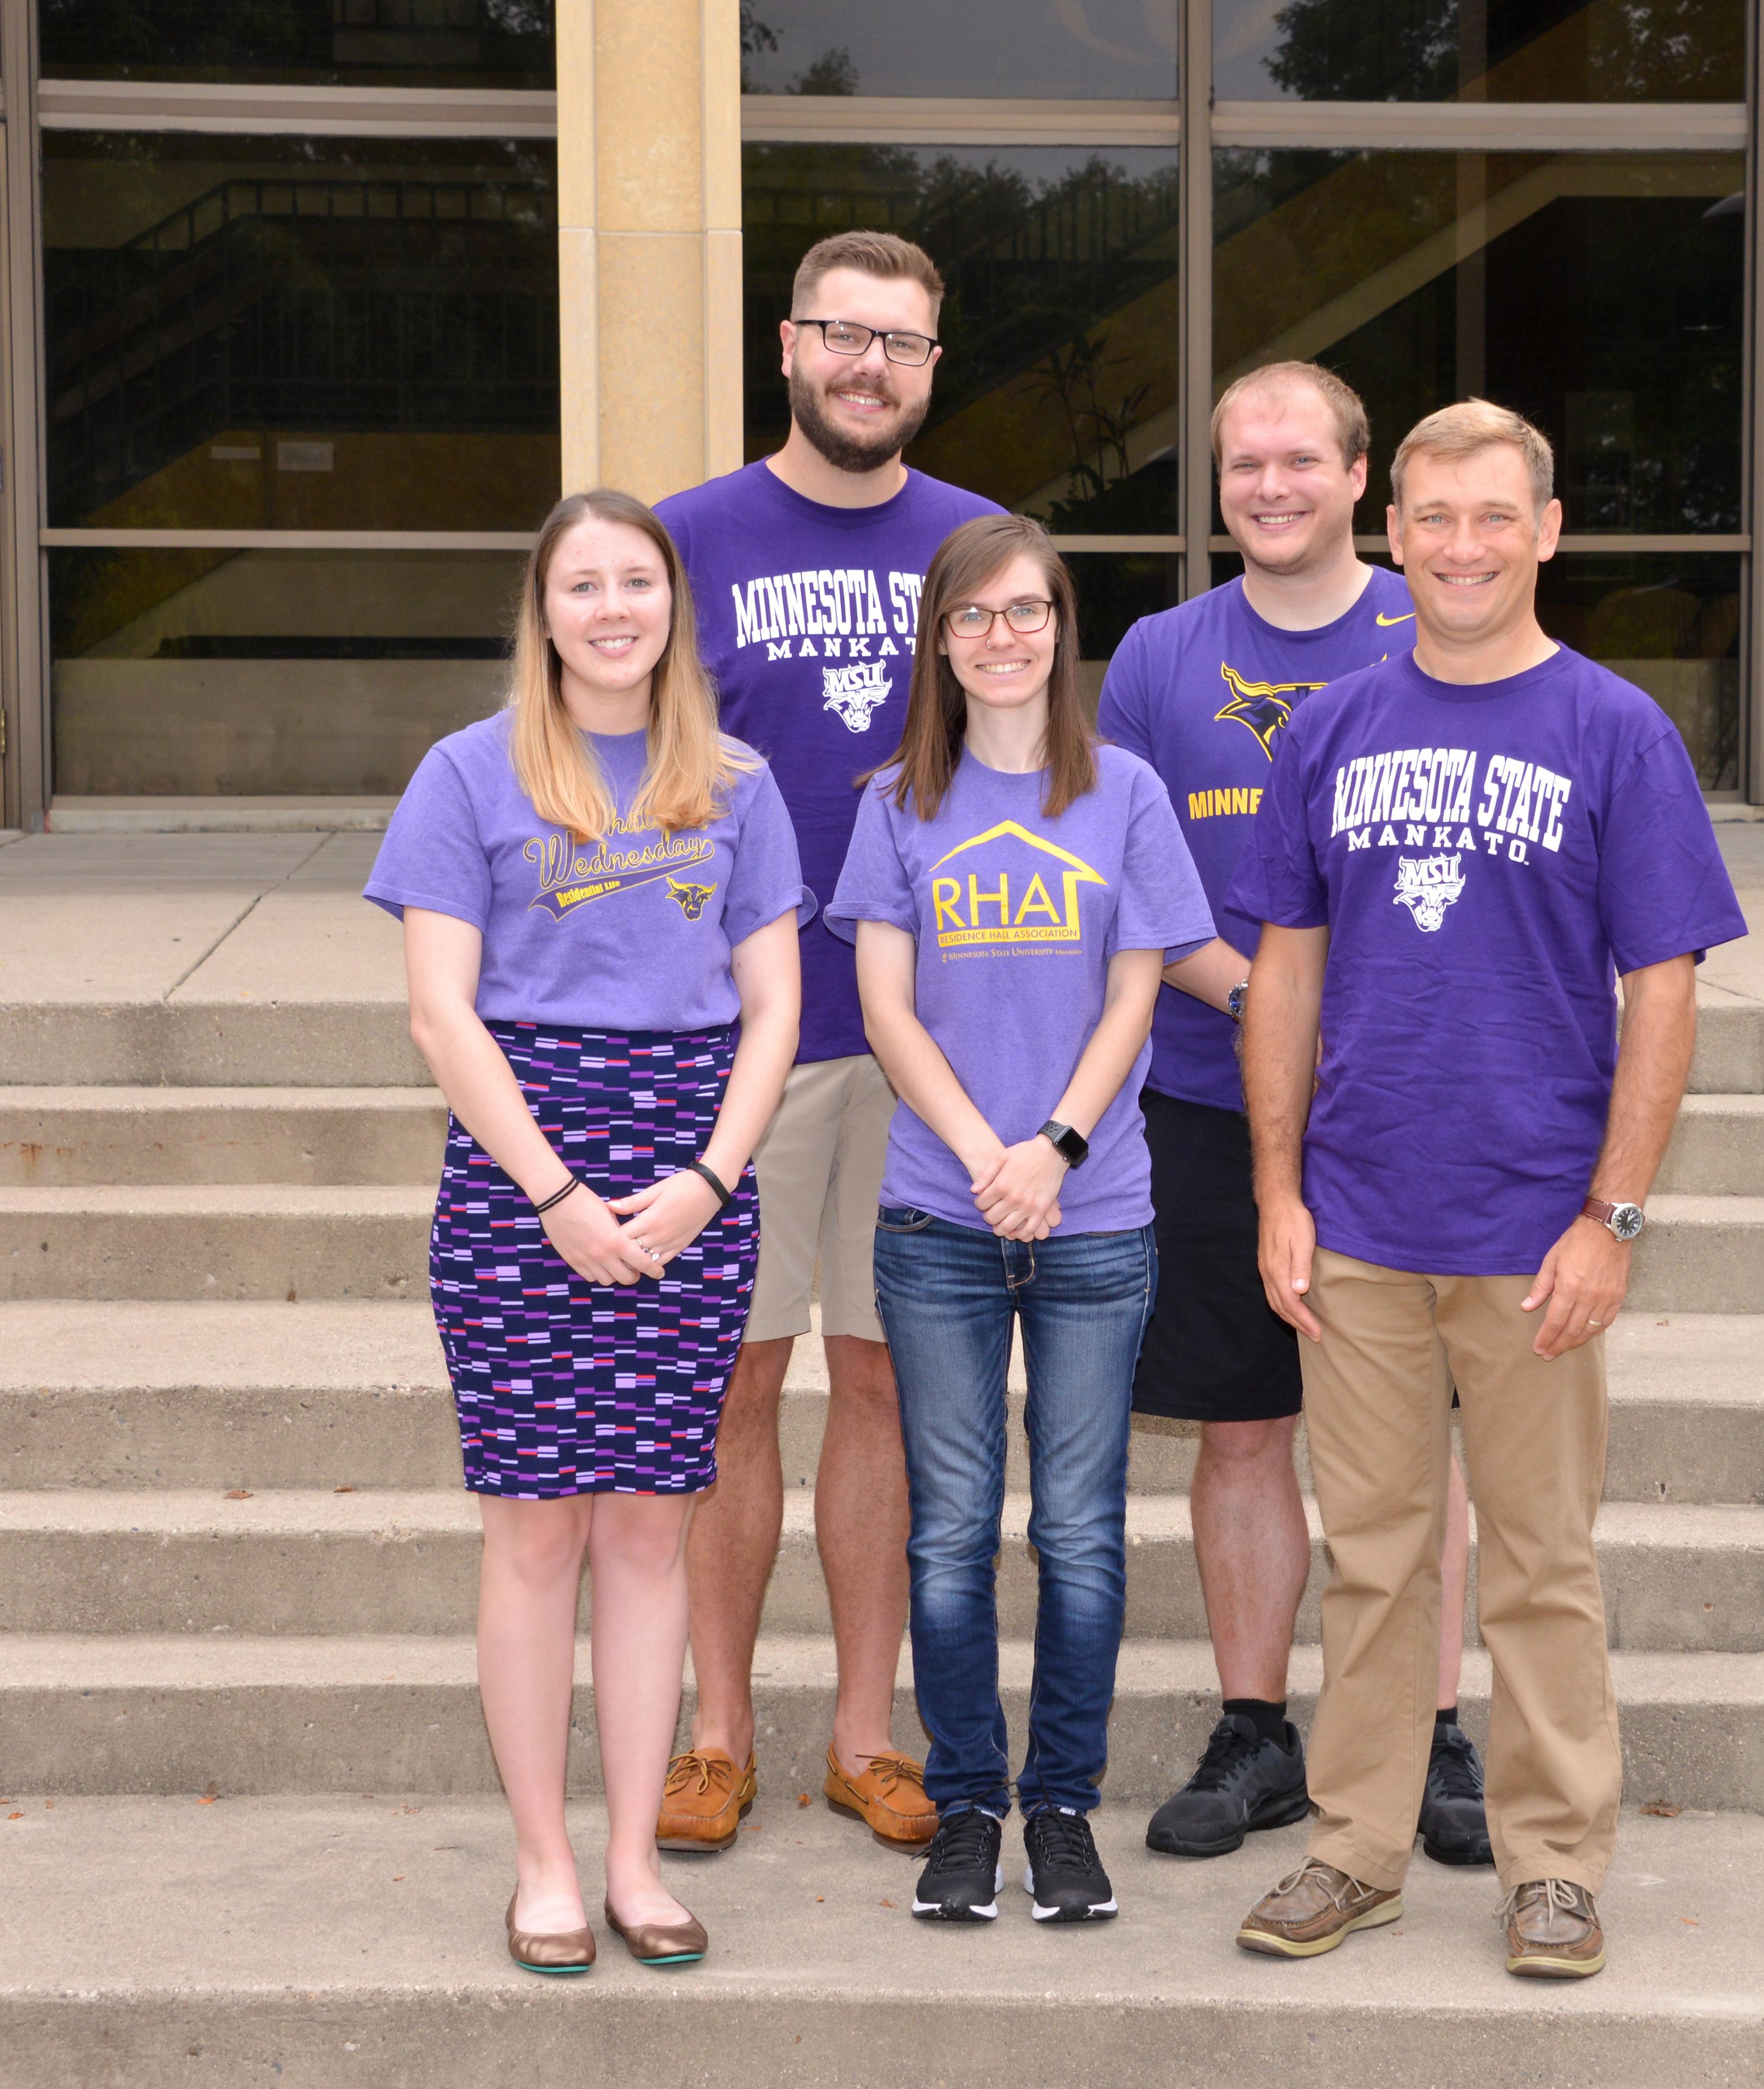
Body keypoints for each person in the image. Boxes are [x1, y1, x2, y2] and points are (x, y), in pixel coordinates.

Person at [1225, 400, 1748, 1974]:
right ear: (1396, 532)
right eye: (1435, 518)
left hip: (1535, 1234)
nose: (1462, 547)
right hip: (1364, 1223)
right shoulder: (1329, 728)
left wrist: (1616, 1215)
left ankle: (1554, 1863)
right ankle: (1357, 1848)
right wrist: (1278, 1190)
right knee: (1374, 1556)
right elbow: (1284, 977)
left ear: (1548, 530)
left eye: (1492, 518)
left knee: (1538, 1564)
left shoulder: (1614, 731)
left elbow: (1663, 986)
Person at [365, 490, 808, 1972]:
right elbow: (443, 1012)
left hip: (692, 1171)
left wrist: (709, 1181)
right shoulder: (467, 773)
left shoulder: (738, 780)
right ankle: (543, 1863)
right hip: (521, 1174)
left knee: (648, 1532)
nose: (613, 608)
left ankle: (632, 1860)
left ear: (675, 605)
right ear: (542, 611)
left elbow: (774, 1012)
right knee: (537, 1531)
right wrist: (554, 1192)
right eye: (583, 585)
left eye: (639, 582)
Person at [1099, 361, 1489, 1869]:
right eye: (1242, 463)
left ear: (1358, 475)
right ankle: (1258, 1732)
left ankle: (1427, 1729)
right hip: (1203, 1097)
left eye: (1298, 461)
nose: (1269, 485)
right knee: (1246, 1429)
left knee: (1419, 1449)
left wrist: (1341, 1022)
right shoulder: (1157, 653)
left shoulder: (1441, 616)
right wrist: (1272, 1007)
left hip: (1406, 1112)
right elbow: (1134, 880)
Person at [654, 230, 1003, 1856]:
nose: (872, 368)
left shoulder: (981, 549)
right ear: (788, 345)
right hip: (743, 1038)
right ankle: (716, 1734)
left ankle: (867, 1734)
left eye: (905, 345)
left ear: (935, 367)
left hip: (930, 1039)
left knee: (884, 1384)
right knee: (734, 1390)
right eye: (846, 337)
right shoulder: (687, 538)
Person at [827, 513, 1213, 1925]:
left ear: (1062, 629)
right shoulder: (892, 807)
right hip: (937, 1217)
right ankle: (966, 1802)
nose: (1005, 636)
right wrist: (988, 1151)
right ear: (940, 639)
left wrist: (1051, 1148)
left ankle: (1061, 1807)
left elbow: (1136, 993)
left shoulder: (1123, 794)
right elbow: (883, 1005)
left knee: (1083, 1530)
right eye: (976, 614)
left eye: (1031, 611)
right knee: (946, 1534)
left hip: (1096, 1214)